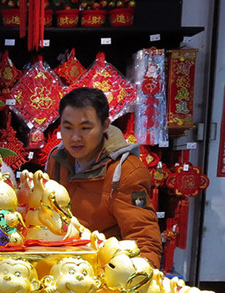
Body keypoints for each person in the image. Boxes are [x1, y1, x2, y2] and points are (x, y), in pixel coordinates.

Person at [46, 87, 162, 268]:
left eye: (85, 128)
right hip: (59, 265)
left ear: (105, 125)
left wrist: (140, 279)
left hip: (102, 271)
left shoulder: (125, 171)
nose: (75, 137)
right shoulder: (57, 160)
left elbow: (143, 235)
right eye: (68, 127)